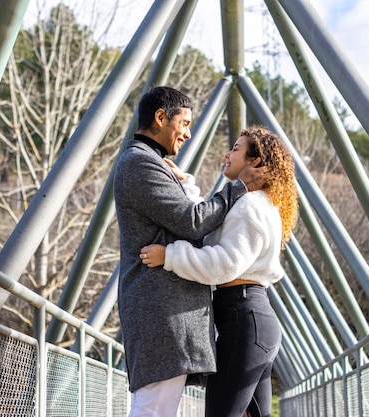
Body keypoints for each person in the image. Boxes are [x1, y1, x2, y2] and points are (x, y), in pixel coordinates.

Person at [113, 87, 267, 417]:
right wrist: (239, 187)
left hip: (165, 313)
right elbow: (193, 221)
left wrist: (185, 186)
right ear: (160, 118)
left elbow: (189, 216)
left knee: (156, 409)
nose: (188, 133)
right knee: (153, 410)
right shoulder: (140, 163)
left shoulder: (150, 163)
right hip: (161, 312)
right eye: (184, 123)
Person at [140, 126, 299, 417]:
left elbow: (224, 264)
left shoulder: (249, 204)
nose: (227, 154)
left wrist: (170, 255)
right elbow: (211, 222)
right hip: (253, 319)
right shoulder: (260, 204)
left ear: (255, 161)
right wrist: (186, 183)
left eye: (236, 149)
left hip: (244, 319)